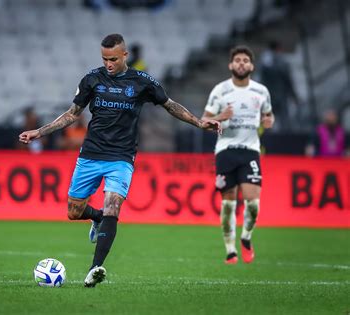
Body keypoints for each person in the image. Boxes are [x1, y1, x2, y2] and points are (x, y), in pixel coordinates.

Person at [19, 34, 221, 287]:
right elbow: (72, 115)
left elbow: (170, 106)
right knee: (74, 211)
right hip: (91, 153)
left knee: (113, 205)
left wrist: (200, 122)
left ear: (125, 55)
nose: (108, 64)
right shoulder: (92, 79)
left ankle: (95, 268)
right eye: (104, 59)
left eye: (113, 59)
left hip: (121, 157)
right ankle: (96, 217)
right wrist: (40, 131)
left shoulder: (142, 82)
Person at [202, 46, 274, 265]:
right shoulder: (220, 91)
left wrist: (269, 121)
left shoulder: (261, 91)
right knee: (228, 205)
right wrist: (221, 116)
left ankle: (246, 237)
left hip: (251, 151)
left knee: (253, 204)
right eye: (238, 60)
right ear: (230, 65)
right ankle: (230, 250)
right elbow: (204, 122)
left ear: (251, 66)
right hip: (225, 151)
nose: (241, 64)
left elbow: (268, 115)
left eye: (245, 61)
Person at [257, 41, 299, 131]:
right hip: (281, 95)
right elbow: (287, 79)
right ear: (278, 49)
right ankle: (286, 140)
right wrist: (294, 96)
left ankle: (266, 141)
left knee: (267, 121)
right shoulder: (281, 61)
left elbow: (259, 79)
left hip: (268, 96)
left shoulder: (263, 61)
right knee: (284, 122)